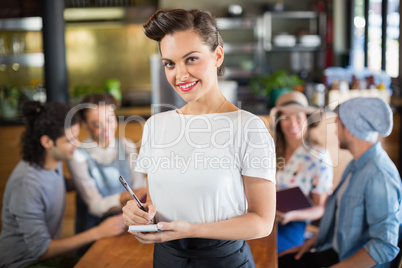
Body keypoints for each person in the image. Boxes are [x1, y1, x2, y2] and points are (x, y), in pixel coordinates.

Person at [121, 9, 276, 267]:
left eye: (191, 59)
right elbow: (155, 202)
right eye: (169, 63)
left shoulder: (249, 128)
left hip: (222, 261)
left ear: (217, 55)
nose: (179, 75)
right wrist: (138, 214)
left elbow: (262, 222)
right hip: (165, 259)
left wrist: (191, 230)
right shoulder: (156, 126)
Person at [279, 97, 402, 268]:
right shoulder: (356, 165)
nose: (336, 131)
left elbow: (385, 245)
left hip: (348, 261)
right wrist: (313, 242)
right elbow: (345, 224)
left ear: (350, 129)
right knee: (280, 261)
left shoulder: (379, 175)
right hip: (336, 251)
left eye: (337, 124)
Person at [0, 101, 126, 268]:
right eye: (69, 140)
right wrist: (99, 232)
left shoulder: (53, 161)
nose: (77, 144)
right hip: (25, 263)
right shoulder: (26, 183)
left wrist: (85, 180)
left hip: (50, 259)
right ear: (47, 142)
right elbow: (41, 249)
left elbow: (54, 185)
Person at [68, 93, 146, 234]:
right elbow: (95, 206)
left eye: (110, 120)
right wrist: (125, 196)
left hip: (130, 222)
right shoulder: (78, 155)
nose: (106, 129)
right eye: (97, 124)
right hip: (96, 229)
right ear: (85, 125)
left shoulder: (127, 145)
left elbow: (139, 189)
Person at [269, 91, 333, 253]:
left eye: (298, 117)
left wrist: (292, 215)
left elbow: (320, 208)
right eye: (286, 118)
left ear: (307, 120)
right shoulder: (269, 150)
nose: (293, 123)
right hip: (262, 217)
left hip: (292, 224)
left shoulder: (319, 156)